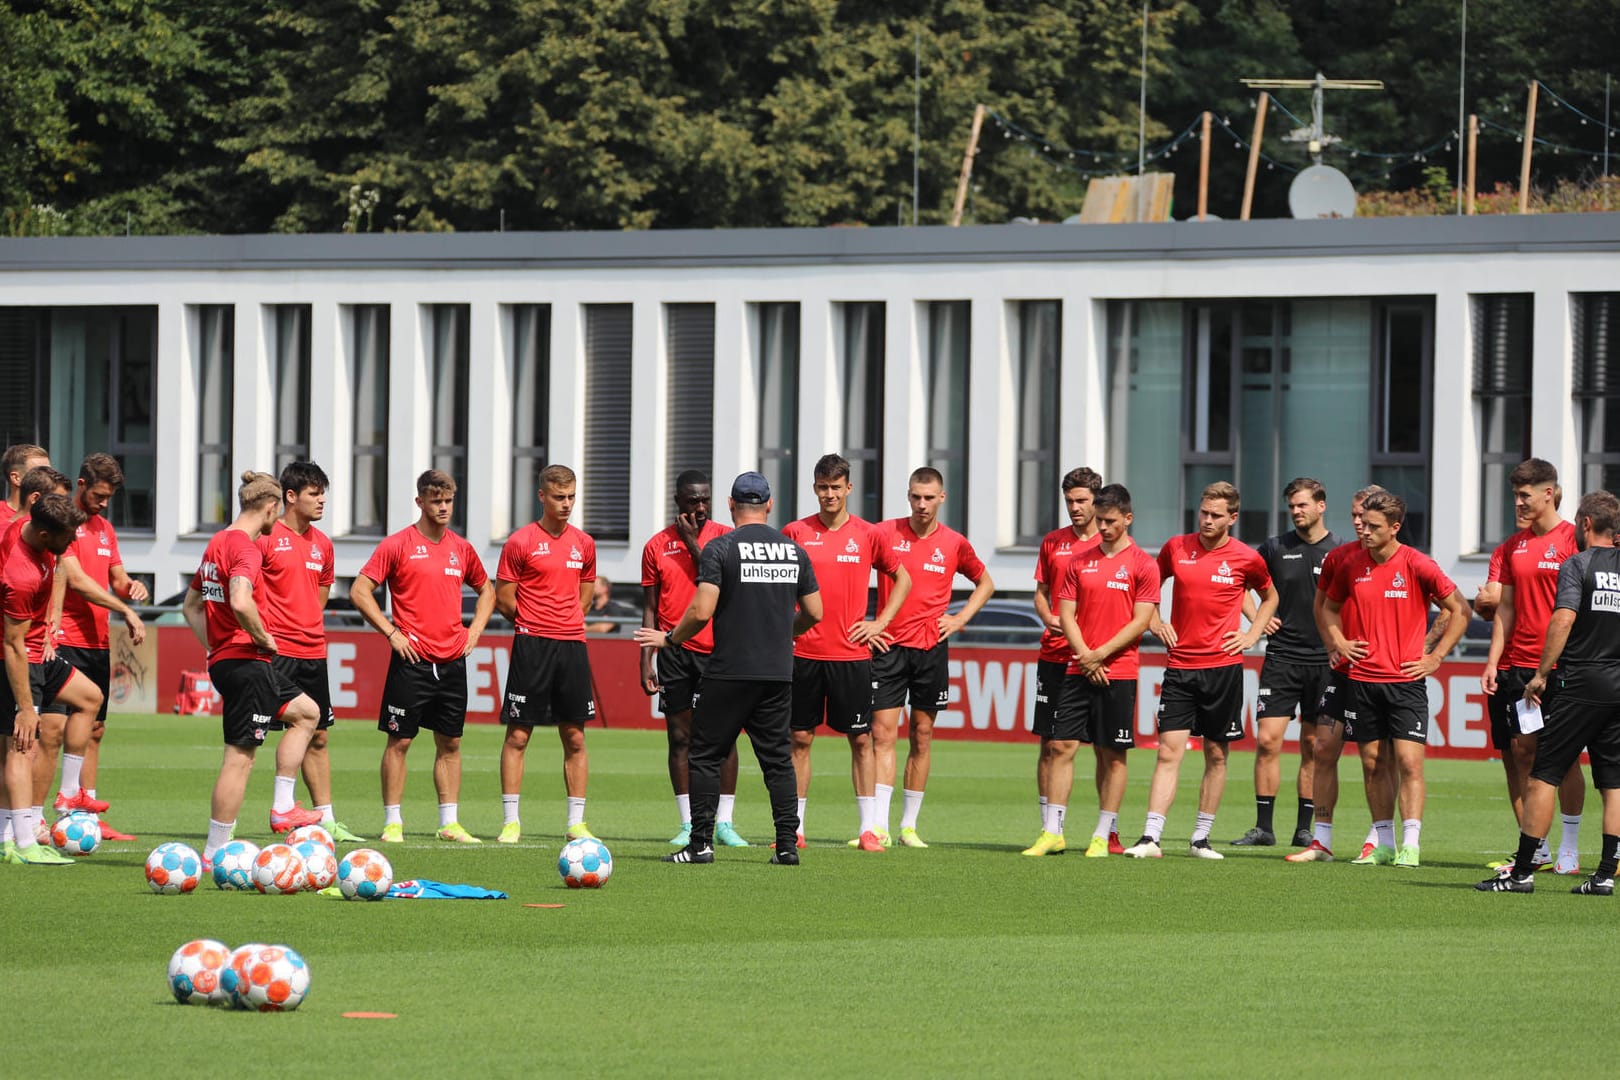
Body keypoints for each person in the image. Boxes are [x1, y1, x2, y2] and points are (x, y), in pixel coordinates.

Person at [635, 471, 822, 864]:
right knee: (777, 759)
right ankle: (787, 846)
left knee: (704, 754)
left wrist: (670, 640)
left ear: (731, 505)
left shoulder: (722, 548)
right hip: (776, 671)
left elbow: (701, 610)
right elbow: (815, 613)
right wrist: (781, 632)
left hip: (729, 669)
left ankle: (700, 844)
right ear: (769, 505)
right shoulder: (793, 550)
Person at [1477, 489, 1620, 896]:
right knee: (1614, 782)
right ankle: (1605, 875)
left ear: (1587, 524)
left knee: (1543, 774)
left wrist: (1541, 673)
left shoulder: (1578, 563)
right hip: (1617, 683)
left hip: (1580, 680)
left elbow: (1562, 620)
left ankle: (1521, 873)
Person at [1124, 482, 1277, 860]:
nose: (1207, 520)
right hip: (1180, 666)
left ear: (1233, 518)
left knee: (1217, 755)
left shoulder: (1246, 558)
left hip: (1223, 669)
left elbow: (1270, 596)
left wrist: (1252, 634)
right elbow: (1148, 586)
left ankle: (1200, 839)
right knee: (1167, 752)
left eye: (1216, 515)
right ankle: (1150, 837)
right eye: (1203, 512)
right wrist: (1154, 622)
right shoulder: (1176, 548)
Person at [1317, 490, 1470, 868]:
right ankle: (1384, 842)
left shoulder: (1418, 564)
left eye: (1373, 526)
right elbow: (1328, 609)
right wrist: (1338, 641)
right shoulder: (1352, 564)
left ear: (1395, 528)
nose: (1363, 531)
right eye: (1362, 524)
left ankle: (1412, 844)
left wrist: (1435, 657)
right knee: (1372, 763)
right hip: (1362, 680)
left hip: (1405, 682)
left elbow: (1460, 610)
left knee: (1409, 762)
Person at [180, 473, 324, 866]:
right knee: (239, 758)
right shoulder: (246, 548)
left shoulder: (216, 542)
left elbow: (190, 605)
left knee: (307, 712)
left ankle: (282, 807)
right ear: (271, 508)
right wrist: (264, 638)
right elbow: (242, 601)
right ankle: (213, 852)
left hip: (230, 660)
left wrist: (214, 648)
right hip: (247, 660)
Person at [351, 470, 496, 844]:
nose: (444, 507)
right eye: (436, 501)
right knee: (399, 742)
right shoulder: (397, 544)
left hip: (452, 661)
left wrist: (475, 630)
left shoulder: (462, 549)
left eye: (448, 500)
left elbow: (487, 591)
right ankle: (393, 823)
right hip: (412, 661)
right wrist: (391, 632)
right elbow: (360, 590)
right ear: (420, 502)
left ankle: (449, 823)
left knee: (450, 743)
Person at [782, 454, 910, 852]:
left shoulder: (869, 535)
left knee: (860, 740)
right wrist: (784, 627)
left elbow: (902, 578)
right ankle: (795, 829)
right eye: (823, 487)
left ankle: (869, 829)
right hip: (804, 653)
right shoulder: (795, 532)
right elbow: (780, 586)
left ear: (848, 489)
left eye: (836, 487)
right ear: (814, 488)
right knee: (800, 739)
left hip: (852, 657)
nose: (829, 494)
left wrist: (880, 623)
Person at [1027, 484, 1158, 857]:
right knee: (1061, 745)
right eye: (1099, 520)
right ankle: (1052, 831)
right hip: (1078, 666)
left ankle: (1102, 835)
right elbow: (1064, 612)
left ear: (1128, 519)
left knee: (1112, 753)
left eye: (1110, 521)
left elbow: (1141, 621)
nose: (1102, 527)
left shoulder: (1144, 564)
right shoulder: (1077, 560)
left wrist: (1100, 655)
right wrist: (1085, 655)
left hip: (1119, 670)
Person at [870, 467, 995, 847]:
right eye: (915, 497)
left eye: (928, 497)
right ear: (907, 497)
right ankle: (877, 826)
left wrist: (959, 619)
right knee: (881, 735)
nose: (921, 504)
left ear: (942, 498)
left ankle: (908, 826)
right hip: (887, 647)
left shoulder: (954, 543)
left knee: (922, 736)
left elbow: (985, 583)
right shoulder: (885, 534)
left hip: (930, 649)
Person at [1481, 459, 1585, 874]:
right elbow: (1504, 607)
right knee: (1523, 754)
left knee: (1566, 758)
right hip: (1520, 666)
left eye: (1525, 495)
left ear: (1549, 493)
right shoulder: (1512, 546)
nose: (1518, 503)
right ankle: (1536, 848)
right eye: (1515, 495)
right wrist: (1492, 662)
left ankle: (1571, 849)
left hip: (1566, 665)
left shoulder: (1574, 539)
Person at [40, 454, 150, 842]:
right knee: (52, 729)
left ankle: (85, 813)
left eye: (109, 497)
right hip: (66, 637)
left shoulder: (105, 529)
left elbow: (114, 578)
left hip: (98, 640)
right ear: (81, 484)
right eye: (99, 495)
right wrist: (125, 609)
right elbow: (80, 580)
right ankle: (42, 813)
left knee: (96, 730)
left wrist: (132, 588)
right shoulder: (60, 523)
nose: (103, 504)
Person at [254, 460, 364, 842]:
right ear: (290, 496)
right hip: (275, 653)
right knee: (249, 737)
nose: (322, 502)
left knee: (318, 735)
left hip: (313, 652)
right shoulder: (266, 537)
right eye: (314, 494)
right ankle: (229, 820)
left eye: (323, 494)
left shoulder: (324, 544)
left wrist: (305, 627)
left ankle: (326, 818)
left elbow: (320, 594)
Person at [1287, 484, 1392, 864]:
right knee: (1322, 748)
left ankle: (1378, 838)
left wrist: (1427, 650)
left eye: (1365, 515)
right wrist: (1335, 644)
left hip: (1382, 675)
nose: (1359, 521)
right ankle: (1322, 841)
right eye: (1355, 514)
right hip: (1342, 671)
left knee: (1376, 760)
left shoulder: (1398, 560)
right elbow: (1322, 607)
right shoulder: (1340, 558)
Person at [640, 471, 746, 847]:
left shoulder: (725, 538)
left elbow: (726, 584)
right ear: (677, 501)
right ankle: (687, 824)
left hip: (720, 651)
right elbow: (650, 607)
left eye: (705, 500)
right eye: (691, 501)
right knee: (680, 737)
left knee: (725, 738)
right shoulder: (655, 546)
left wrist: (691, 543)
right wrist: (646, 658)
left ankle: (724, 823)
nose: (699, 508)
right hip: (674, 651)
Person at [1, 494, 108, 865]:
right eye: (68, 536)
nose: (73, 542)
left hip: (40, 652)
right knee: (22, 745)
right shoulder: (21, 575)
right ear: (45, 534)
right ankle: (23, 843)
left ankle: (66, 793)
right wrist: (26, 708)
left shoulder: (30, 530)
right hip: (19, 660)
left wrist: (51, 624)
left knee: (90, 697)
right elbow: (12, 644)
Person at [1234, 478, 1341, 848]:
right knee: (1267, 740)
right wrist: (1257, 619)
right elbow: (1242, 584)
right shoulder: (1275, 547)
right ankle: (1264, 827)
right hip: (1281, 657)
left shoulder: (1340, 551)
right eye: (1292, 506)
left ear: (1321, 506)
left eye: (1302, 505)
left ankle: (1304, 828)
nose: (1296, 511)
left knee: (1313, 745)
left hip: (1324, 660)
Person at [495, 464, 598, 844]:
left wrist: (566, 620)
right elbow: (505, 596)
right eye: (559, 497)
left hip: (572, 644)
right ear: (542, 496)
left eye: (571, 496)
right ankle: (511, 821)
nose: (567, 504)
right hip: (532, 644)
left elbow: (585, 592)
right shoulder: (521, 541)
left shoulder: (584, 543)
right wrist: (533, 623)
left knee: (574, 737)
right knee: (519, 734)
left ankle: (576, 822)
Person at [1030, 467, 1102, 844]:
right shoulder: (1053, 542)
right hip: (1055, 654)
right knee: (1050, 742)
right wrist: (1047, 616)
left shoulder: (1109, 544)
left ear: (1097, 500)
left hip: (1096, 658)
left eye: (1081, 501)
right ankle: (1049, 827)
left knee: (1106, 748)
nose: (1074, 508)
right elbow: (1041, 592)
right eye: (1069, 501)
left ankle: (1109, 830)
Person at [0, 444, 50, 529]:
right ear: (16, 478)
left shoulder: (53, 514)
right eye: (40, 472)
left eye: (49, 471)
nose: (49, 477)